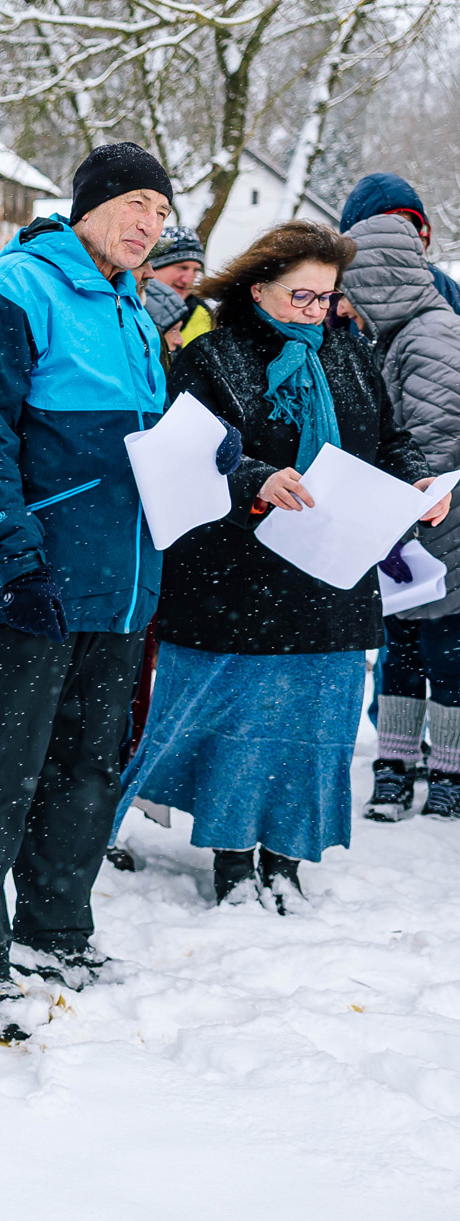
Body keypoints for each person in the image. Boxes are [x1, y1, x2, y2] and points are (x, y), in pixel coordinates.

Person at [115, 222, 443, 912]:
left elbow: (391, 437)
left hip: (331, 573)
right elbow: (188, 452)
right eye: (302, 296)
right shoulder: (214, 356)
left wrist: (414, 481)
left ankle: (287, 857)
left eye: (327, 298)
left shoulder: (351, 353)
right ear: (258, 287)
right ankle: (234, 860)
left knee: (315, 725)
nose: (317, 312)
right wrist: (256, 479)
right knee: (244, 725)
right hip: (238, 576)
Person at [0, 142, 176, 1042]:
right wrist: (15, 557)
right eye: (139, 204)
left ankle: (56, 928)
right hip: (40, 581)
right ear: (94, 204)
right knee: (3, 772)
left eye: (161, 212)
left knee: (87, 766)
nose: (151, 224)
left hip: (122, 585)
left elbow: (146, 446)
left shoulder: (137, 310)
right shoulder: (17, 289)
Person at [344, 209, 460, 824]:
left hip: (442, 528)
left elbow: (436, 444)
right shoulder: (403, 332)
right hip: (413, 530)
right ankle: (394, 766)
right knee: (406, 649)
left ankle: (448, 773)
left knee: (445, 654)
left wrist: (389, 498)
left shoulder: (430, 336)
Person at [341, 173, 460, 317]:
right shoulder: (330, 289)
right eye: (388, 228)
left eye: (408, 227)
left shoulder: (443, 287)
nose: (400, 238)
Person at [144, 225, 212, 344]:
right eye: (182, 267)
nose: (187, 279)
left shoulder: (204, 316)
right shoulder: (126, 306)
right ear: (153, 266)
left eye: (196, 270)